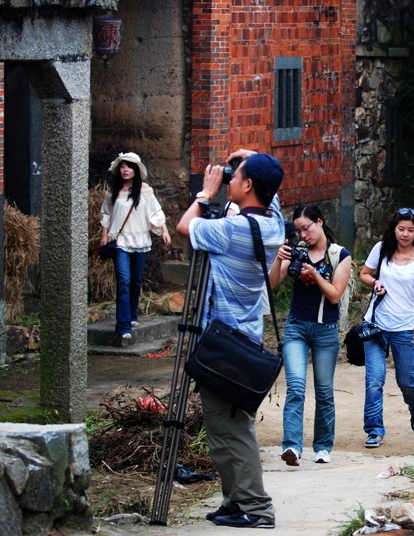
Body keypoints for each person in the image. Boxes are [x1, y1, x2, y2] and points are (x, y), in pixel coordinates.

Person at [176, 149, 284, 529]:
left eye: (235, 176)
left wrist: (204, 195)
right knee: (227, 426)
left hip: (222, 345)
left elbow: (185, 227)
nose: (229, 180)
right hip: (243, 338)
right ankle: (234, 501)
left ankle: (256, 508)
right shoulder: (274, 224)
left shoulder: (233, 230)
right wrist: (254, 158)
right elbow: (275, 196)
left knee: (231, 430)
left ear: (250, 185)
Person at [269, 205, 352, 467]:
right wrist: (279, 258)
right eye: (298, 231)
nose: (303, 234)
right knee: (295, 386)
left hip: (326, 330)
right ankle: (292, 446)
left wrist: (314, 274)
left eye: (307, 228)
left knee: (324, 391)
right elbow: (273, 283)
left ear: (319, 221)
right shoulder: (297, 253)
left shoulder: (340, 255)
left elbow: (335, 295)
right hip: (296, 327)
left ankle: (323, 446)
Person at [358, 208, 414, 448]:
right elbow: (364, 274)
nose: (405, 234)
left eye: (411, 230)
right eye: (401, 229)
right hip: (376, 325)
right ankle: (374, 430)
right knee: (374, 380)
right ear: (394, 228)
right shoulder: (381, 250)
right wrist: (375, 281)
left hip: (404, 327)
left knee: (406, 380)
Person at [100, 152, 171, 341]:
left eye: (129, 166)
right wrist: (105, 235)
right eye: (123, 166)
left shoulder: (145, 190)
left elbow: (155, 211)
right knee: (123, 280)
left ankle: (131, 315)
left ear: (136, 170)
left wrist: (164, 230)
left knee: (136, 281)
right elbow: (106, 214)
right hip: (120, 241)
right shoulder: (113, 191)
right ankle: (123, 326)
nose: (125, 170)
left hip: (140, 240)